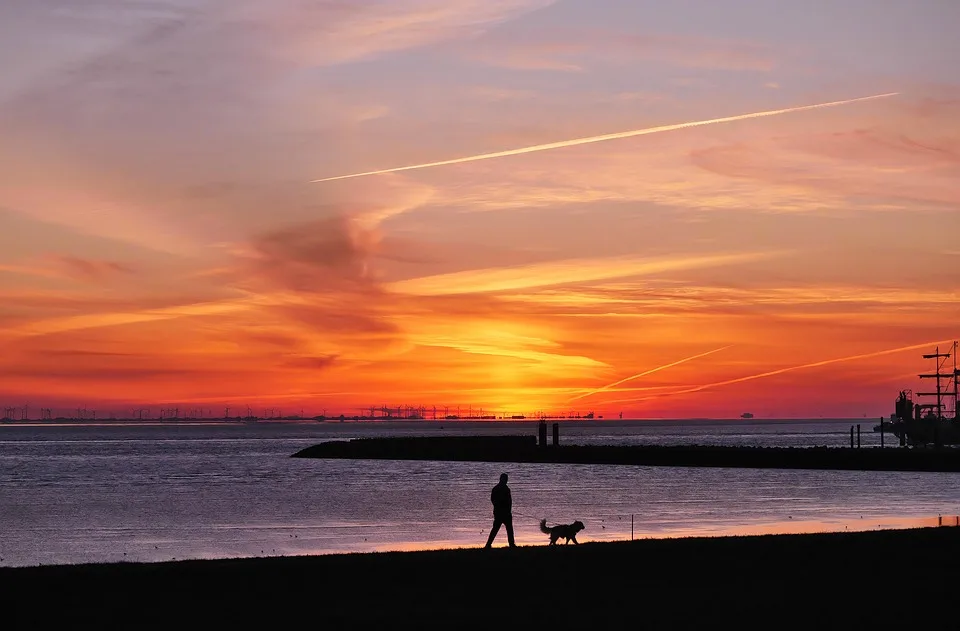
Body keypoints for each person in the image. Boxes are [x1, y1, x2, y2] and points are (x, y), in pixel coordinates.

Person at [484, 473, 516, 548]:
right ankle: (489, 544)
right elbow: (494, 500)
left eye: (506, 479)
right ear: (502, 479)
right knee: (500, 529)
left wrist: (508, 510)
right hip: (502, 513)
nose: (506, 481)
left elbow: (494, 500)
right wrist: (506, 509)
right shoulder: (502, 489)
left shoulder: (498, 488)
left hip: (502, 513)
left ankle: (489, 544)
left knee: (506, 529)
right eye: (506, 479)